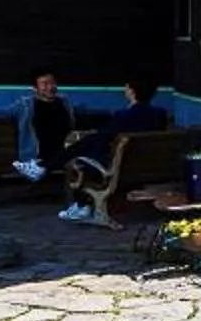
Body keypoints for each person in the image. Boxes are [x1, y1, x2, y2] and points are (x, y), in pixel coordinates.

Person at [55, 79, 175, 222]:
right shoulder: (160, 115)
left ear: (131, 91)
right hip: (150, 167)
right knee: (93, 146)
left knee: (85, 156)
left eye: (126, 87)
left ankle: (82, 205)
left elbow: (104, 136)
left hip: (119, 168)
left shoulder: (123, 116)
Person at [6, 71, 75, 180]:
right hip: (37, 157)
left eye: (52, 83)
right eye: (45, 84)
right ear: (36, 88)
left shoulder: (64, 102)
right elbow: (3, 112)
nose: (50, 87)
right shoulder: (26, 105)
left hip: (65, 155)